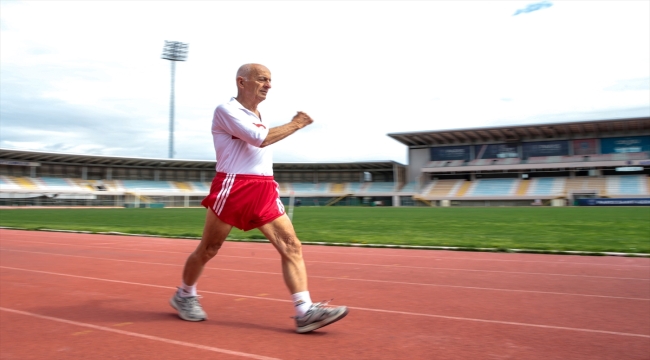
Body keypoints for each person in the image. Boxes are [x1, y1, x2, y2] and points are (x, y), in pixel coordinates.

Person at [169, 63, 348, 334]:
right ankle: (184, 294)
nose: (268, 84)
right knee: (209, 249)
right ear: (242, 82)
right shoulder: (227, 110)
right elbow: (259, 139)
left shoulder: (257, 113)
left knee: (292, 245)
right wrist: (297, 123)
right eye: (262, 79)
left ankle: (305, 311)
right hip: (234, 186)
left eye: (270, 80)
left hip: (264, 188)